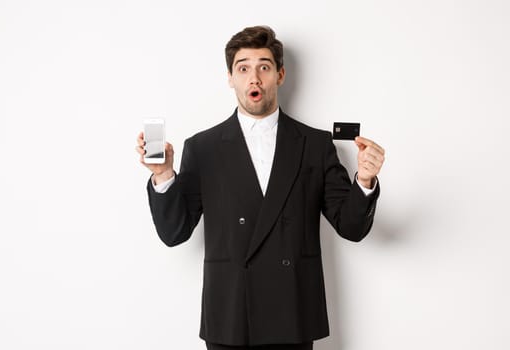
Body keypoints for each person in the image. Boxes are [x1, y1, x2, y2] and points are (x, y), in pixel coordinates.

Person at [136, 26, 385, 350]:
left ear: (280, 75)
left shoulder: (314, 144)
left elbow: (351, 227)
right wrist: (164, 174)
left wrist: (364, 180)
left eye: (264, 67)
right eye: (243, 68)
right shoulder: (203, 147)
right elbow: (174, 233)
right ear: (230, 77)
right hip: (230, 315)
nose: (254, 78)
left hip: (292, 314)